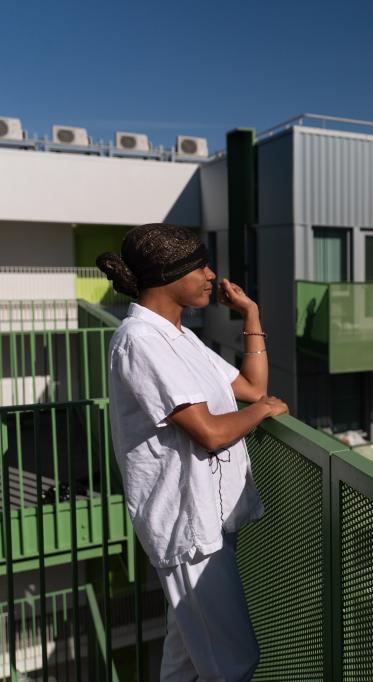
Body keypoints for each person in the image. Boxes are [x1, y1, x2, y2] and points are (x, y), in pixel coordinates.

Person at [97, 223, 288, 681]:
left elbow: (251, 387)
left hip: (209, 517)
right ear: (167, 273)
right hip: (187, 527)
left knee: (186, 658)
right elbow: (209, 431)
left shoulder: (181, 338)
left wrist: (252, 315)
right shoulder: (140, 341)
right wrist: (260, 413)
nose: (211, 274)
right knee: (233, 663)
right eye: (199, 266)